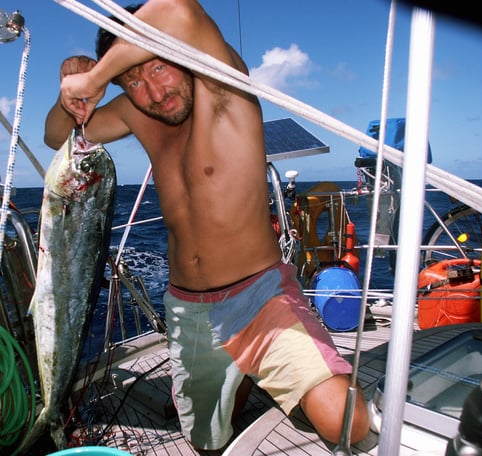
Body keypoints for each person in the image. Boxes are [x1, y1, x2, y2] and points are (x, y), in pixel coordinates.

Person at [44, 0, 369, 451]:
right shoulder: (137, 113)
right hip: (187, 309)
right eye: (133, 81)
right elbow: (56, 136)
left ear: (179, 51)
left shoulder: (223, 84)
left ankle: (255, 369)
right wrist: (72, 92)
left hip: (261, 298)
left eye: (157, 68)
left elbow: (178, 10)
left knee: (347, 422)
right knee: (205, 445)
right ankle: (238, 381)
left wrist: (95, 76)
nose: (154, 93)